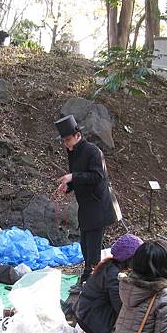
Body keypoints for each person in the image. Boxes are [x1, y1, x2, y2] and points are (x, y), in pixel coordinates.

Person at [54, 115, 119, 294]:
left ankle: (91, 282)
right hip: (86, 207)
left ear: (77, 135)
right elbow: (79, 177)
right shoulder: (73, 151)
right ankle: (88, 279)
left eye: (68, 139)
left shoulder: (93, 151)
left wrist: (73, 177)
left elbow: (97, 176)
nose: (66, 144)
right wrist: (68, 187)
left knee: (93, 247)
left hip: (99, 207)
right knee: (84, 245)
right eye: (64, 141)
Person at [71, 234, 143, 333]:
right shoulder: (113, 274)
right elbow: (120, 306)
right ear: (129, 258)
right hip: (90, 318)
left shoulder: (110, 265)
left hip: (85, 312)